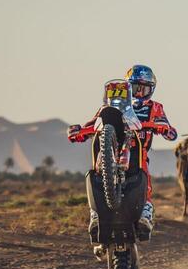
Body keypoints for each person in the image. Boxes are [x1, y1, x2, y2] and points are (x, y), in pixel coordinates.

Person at [67, 65, 177, 238]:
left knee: (145, 172)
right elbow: (95, 122)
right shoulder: (112, 105)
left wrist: (164, 128)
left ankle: (145, 213)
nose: (140, 93)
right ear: (127, 87)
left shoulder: (155, 108)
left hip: (137, 151)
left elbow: (167, 127)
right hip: (111, 150)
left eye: (144, 89)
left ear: (151, 90)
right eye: (135, 88)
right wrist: (79, 131)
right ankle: (95, 212)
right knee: (96, 158)